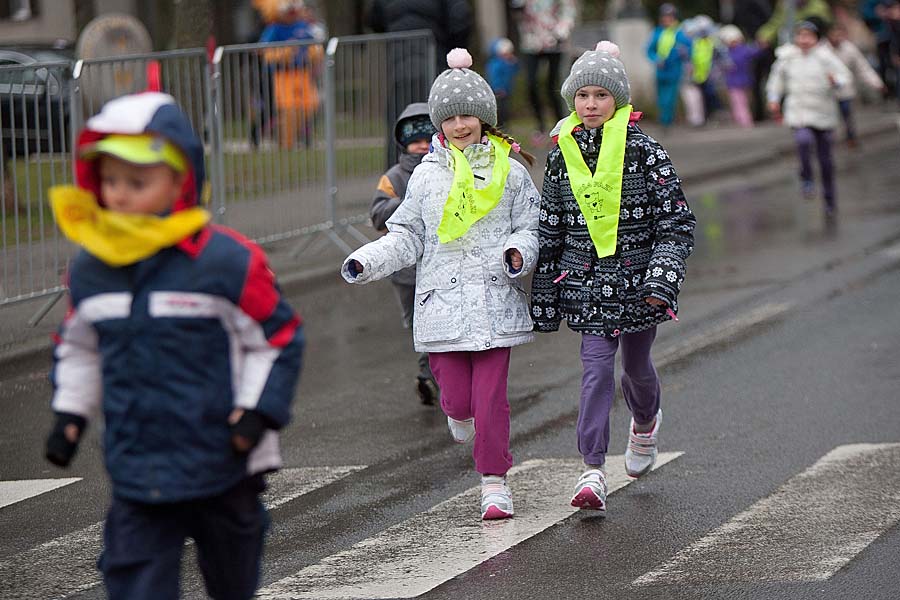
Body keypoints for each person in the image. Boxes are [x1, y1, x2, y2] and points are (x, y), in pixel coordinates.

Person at [43, 92, 305, 600]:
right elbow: (80, 347)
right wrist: (69, 414)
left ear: (180, 180)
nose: (120, 195)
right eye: (111, 181)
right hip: (138, 466)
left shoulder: (225, 262)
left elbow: (277, 339)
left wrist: (256, 414)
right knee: (135, 582)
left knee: (232, 582)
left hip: (224, 461)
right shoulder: (93, 268)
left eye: (137, 182)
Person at [342, 48, 539, 520]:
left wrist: (518, 253)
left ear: (484, 117)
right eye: (449, 118)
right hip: (441, 307)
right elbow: (407, 235)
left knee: (490, 402)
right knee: (457, 398)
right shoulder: (427, 176)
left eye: (467, 115)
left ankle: (494, 482)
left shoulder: (511, 171)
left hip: (494, 303)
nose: (459, 125)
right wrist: (366, 260)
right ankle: (456, 411)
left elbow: (530, 226)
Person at [531, 41, 696, 514]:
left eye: (601, 95)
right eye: (582, 95)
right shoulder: (562, 154)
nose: (590, 104)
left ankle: (645, 422)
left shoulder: (645, 150)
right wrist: (545, 294)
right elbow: (552, 225)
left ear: (618, 99)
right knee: (596, 369)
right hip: (586, 283)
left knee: (636, 368)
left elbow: (676, 222)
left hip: (639, 283)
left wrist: (661, 280)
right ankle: (592, 469)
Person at [370, 102, 440, 405]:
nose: (422, 146)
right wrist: (408, 201)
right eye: (415, 141)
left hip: (438, 265)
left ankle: (431, 375)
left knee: (438, 323)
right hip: (406, 271)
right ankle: (430, 372)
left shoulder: (446, 171)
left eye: (427, 139)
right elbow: (377, 215)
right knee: (417, 326)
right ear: (403, 141)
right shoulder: (394, 178)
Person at [367, 0, 474, 166]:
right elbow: (460, 19)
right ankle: (445, 169)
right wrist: (455, 51)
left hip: (399, 66)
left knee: (399, 124)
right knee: (438, 121)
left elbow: (374, 19)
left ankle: (397, 175)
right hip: (435, 64)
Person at [766, 20, 851, 222]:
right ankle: (806, 178)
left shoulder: (825, 56)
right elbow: (775, 82)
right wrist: (773, 100)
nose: (804, 40)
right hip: (799, 112)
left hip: (824, 113)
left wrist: (836, 81)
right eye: (800, 35)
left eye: (808, 36)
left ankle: (830, 201)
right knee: (803, 141)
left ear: (816, 38)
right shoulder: (786, 57)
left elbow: (844, 76)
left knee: (826, 161)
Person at [256, 0, 325, 148]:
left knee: (310, 104)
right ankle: (284, 142)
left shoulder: (302, 26)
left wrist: (315, 54)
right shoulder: (274, 29)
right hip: (282, 74)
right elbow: (263, 50)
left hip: (302, 72)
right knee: (286, 107)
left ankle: (298, 135)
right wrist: (283, 53)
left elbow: (314, 44)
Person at [511, 0, 576, 138]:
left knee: (553, 85)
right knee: (531, 83)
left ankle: (561, 123)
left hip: (555, 42)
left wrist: (562, 30)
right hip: (531, 42)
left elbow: (568, 9)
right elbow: (517, 11)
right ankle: (540, 125)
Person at [826, 22, 886, 146]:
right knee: (828, 115)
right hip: (826, 90)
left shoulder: (849, 49)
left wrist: (877, 83)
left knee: (846, 111)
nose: (837, 38)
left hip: (844, 88)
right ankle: (827, 139)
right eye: (834, 35)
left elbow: (863, 67)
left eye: (839, 35)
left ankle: (850, 136)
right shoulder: (822, 50)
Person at [646, 3, 693, 130]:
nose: (666, 19)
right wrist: (656, 59)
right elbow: (649, 50)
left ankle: (667, 122)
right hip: (661, 71)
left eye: (669, 16)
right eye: (664, 16)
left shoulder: (680, 33)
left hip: (674, 70)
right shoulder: (657, 32)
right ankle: (664, 120)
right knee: (661, 98)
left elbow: (689, 49)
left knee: (670, 98)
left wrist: (683, 53)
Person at [719, 24, 763, 127]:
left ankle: (744, 120)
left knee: (741, 101)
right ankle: (742, 119)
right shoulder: (733, 51)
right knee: (740, 101)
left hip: (739, 80)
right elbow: (755, 51)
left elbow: (755, 52)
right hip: (738, 81)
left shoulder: (731, 52)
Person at [486, 37, 520, 128]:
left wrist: (514, 63)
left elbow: (515, 71)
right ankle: (500, 126)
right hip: (499, 91)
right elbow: (494, 77)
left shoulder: (508, 63)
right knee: (500, 109)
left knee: (505, 109)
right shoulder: (495, 64)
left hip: (507, 91)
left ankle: (505, 125)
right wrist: (498, 88)